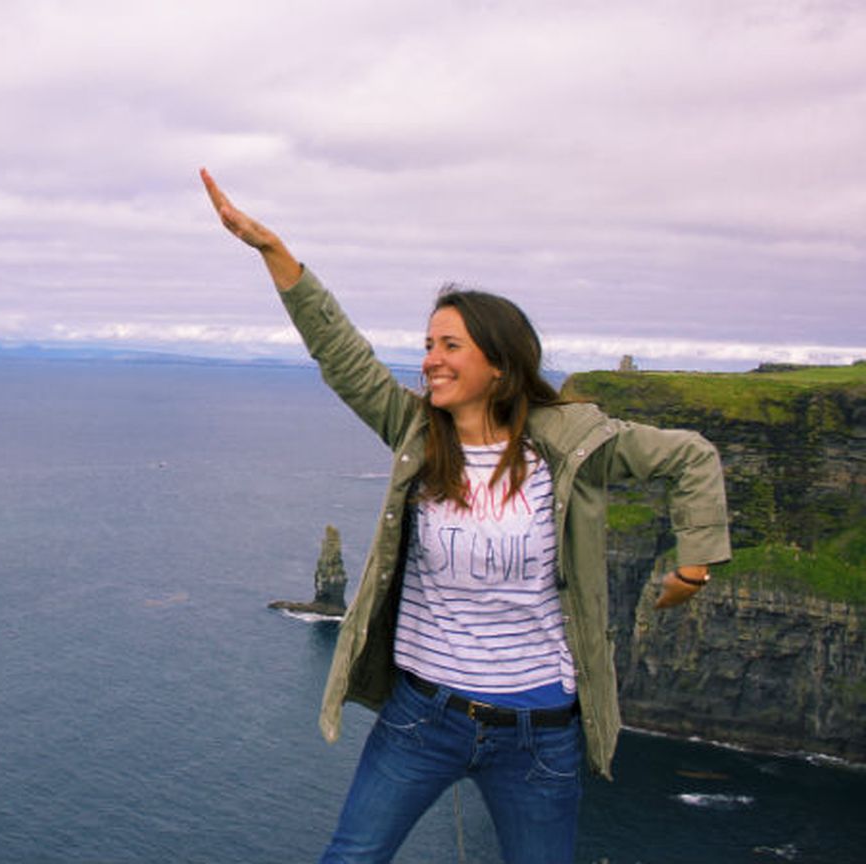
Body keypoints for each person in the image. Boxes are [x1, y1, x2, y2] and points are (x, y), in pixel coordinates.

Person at [201, 168, 731, 863]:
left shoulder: (572, 444)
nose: (431, 361)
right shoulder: (417, 432)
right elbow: (342, 356)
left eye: (450, 346)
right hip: (422, 717)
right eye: (428, 345)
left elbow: (691, 457)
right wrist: (274, 252)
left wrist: (695, 565)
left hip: (539, 732)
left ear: (500, 364)